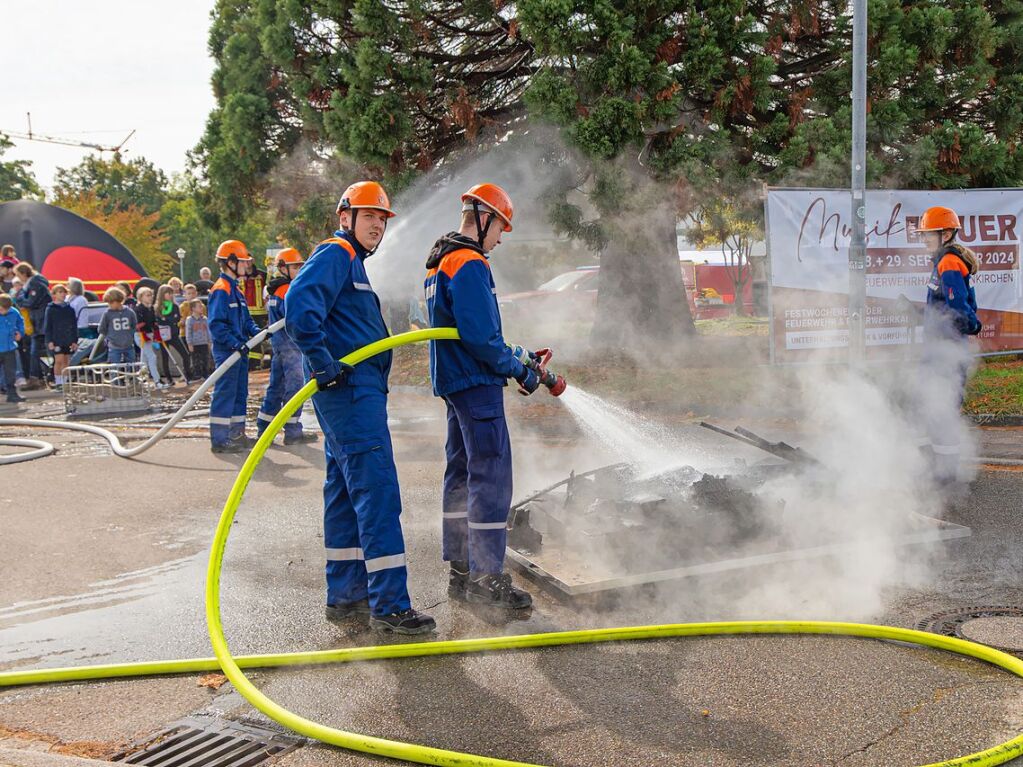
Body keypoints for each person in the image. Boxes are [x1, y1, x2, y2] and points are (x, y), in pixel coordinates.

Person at [286, 181, 435, 635]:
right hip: (351, 392)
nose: (377, 225)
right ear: (345, 216)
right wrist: (322, 362)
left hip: (351, 393)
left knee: (344, 495)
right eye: (369, 216)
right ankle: (390, 605)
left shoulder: (352, 261)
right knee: (377, 492)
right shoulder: (336, 253)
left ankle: (347, 595)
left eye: (382, 219)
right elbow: (298, 307)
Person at [423, 183, 540, 610]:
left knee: (460, 476)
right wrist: (520, 370)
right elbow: (482, 339)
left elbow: (469, 332)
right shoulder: (469, 262)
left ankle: (461, 569)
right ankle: (487, 581)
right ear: (484, 217)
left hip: (454, 384)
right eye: (501, 227)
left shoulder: (439, 263)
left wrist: (521, 356)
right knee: (491, 479)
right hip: (477, 385)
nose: (502, 237)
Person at [915, 206, 982, 487]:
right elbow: (944, 306)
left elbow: (958, 307)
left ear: (945, 233)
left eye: (928, 234)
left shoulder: (949, 262)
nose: (924, 239)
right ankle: (942, 468)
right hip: (941, 345)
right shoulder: (943, 260)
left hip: (947, 347)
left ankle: (946, 473)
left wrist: (972, 325)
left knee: (942, 406)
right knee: (936, 405)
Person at [257, 248, 317, 446]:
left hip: (280, 347)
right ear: (283, 268)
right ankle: (292, 432)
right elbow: (296, 320)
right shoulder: (287, 291)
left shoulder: (276, 290)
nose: (299, 270)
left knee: (276, 388)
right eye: (295, 267)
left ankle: (264, 429)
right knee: (294, 388)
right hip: (291, 348)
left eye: (300, 266)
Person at [208, 240, 261, 453]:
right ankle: (219, 440)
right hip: (227, 352)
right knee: (225, 393)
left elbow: (246, 320)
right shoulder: (221, 290)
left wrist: (258, 333)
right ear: (230, 262)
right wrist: (235, 343)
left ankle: (236, 434)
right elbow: (216, 325)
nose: (246, 266)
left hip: (240, 350)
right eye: (242, 262)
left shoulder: (235, 290)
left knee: (240, 393)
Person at [13, 263, 51, 390]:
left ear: (24, 274)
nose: (19, 278)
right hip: (38, 321)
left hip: (41, 321)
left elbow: (31, 302)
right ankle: (37, 378)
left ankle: (43, 378)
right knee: (35, 351)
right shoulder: (35, 283)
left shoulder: (35, 284)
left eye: (19, 275)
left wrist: (19, 299)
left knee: (43, 351)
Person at [155, 284, 194, 383]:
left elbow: (175, 318)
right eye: (168, 293)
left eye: (171, 293)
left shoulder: (175, 306)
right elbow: (160, 320)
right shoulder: (158, 307)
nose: (171, 295)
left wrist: (166, 319)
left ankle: (188, 375)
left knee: (185, 354)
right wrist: (167, 320)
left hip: (174, 335)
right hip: (163, 336)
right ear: (162, 294)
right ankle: (169, 378)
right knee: (165, 357)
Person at [43, 284, 78, 390]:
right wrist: (49, 340)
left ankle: (65, 382)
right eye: (59, 292)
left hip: (67, 338)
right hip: (56, 338)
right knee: (58, 360)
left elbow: (74, 325)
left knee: (66, 361)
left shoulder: (69, 309)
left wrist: (74, 340)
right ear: (54, 294)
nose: (62, 294)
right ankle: (58, 382)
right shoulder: (50, 309)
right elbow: (48, 326)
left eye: (64, 292)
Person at [97, 287, 138, 367]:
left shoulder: (129, 312)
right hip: (114, 346)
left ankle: (130, 378)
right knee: (114, 367)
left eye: (111, 303)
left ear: (118, 301)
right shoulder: (107, 314)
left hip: (129, 345)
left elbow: (134, 325)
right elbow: (101, 329)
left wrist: (129, 335)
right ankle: (115, 379)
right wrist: (110, 337)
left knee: (132, 366)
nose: (109, 305)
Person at [134, 286, 165, 387]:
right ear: (141, 297)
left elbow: (153, 322)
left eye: (151, 295)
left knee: (144, 359)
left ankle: (141, 379)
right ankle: (157, 380)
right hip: (141, 335)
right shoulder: (138, 309)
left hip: (149, 335)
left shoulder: (151, 308)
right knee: (152, 356)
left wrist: (156, 331)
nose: (150, 297)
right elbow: (139, 324)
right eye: (147, 295)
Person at [0, 294, 26, 403]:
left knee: (10, 373)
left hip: (9, 348)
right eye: (1, 309)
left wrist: (20, 332)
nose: (3, 312)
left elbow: (21, 323)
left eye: (6, 309)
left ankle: (12, 394)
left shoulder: (14, 312)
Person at [185, 299, 213, 379]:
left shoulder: (205, 319)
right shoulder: (189, 320)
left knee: (205, 359)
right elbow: (188, 332)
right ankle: (197, 374)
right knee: (195, 360)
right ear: (193, 308)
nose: (201, 308)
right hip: (195, 343)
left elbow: (208, 331)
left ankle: (205, 373)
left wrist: (209, 341)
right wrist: (189, 343)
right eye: (199, 307)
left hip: (204, 342)